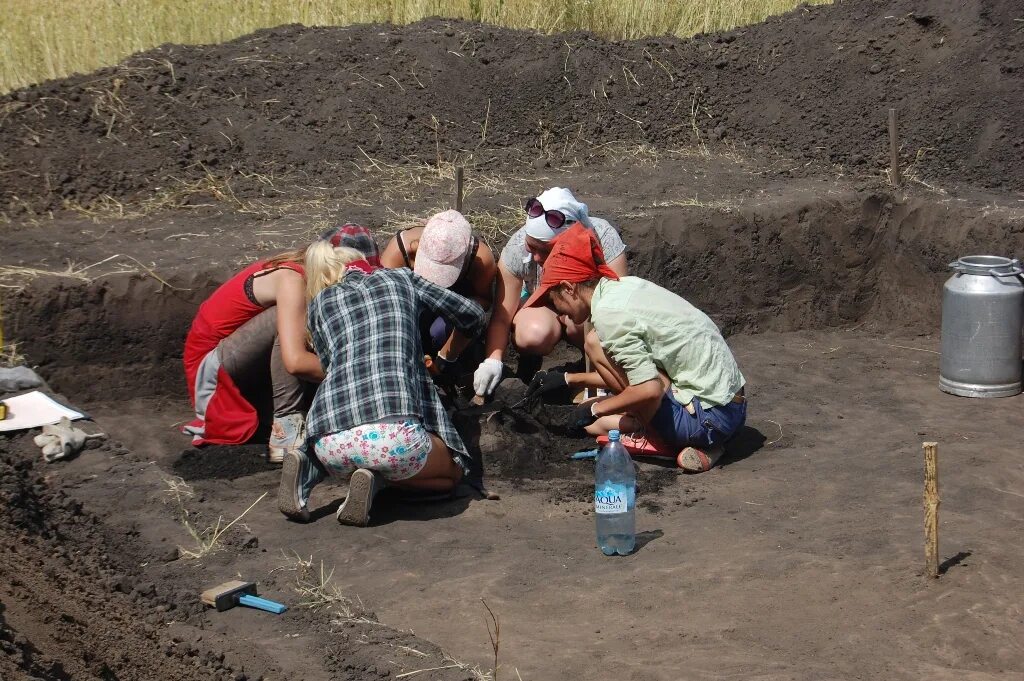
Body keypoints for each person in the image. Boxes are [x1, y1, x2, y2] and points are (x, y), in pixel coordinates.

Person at [277, 240, 486, 526]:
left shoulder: (319, 306)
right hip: (393, 439)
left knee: (369, 455)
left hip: (328, 444)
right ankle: (378, 482)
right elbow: (472, 314)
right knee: (452, 475)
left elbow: (329, 368)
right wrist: (443, 357)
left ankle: (309, 468)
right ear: (366, 264)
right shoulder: (401, 277)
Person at [520, 224, 747, 473]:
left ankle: (665, 440)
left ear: (568, 288)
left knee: (597, 376)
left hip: (709, 419)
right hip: (729, 407)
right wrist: (567, 379)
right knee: (602, 405)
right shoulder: (623, 287)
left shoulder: (609, 314)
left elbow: (649, 389)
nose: (557, 310)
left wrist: (594, 409)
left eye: (554, 300)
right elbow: (640, 374)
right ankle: (696, 438)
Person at [182, 224, 381, 463]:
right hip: (211, 370)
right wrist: (359, 374)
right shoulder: (292, 279)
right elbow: (296, 361)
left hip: (245, 364)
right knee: (293, 320)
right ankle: (286, 428)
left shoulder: (310, 276)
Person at [472, 187, 627, 398]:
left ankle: (595, 366)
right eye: (531, 247)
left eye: (544, 250)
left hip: (587, 305)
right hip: (540, 303)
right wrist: (492, 360)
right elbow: (502, 316)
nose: (535, 257)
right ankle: (530, 362)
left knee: (582, 328)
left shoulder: (603, 238)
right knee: (533, 334)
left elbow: (618, 307)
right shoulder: (517, 249)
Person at [380, 210, 496, 369]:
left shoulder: (481, 259)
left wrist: (447, 355)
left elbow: (483, 301)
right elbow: (383, 304)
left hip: (454, 308)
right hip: (411, 304)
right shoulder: (399, 250)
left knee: (440, 332)